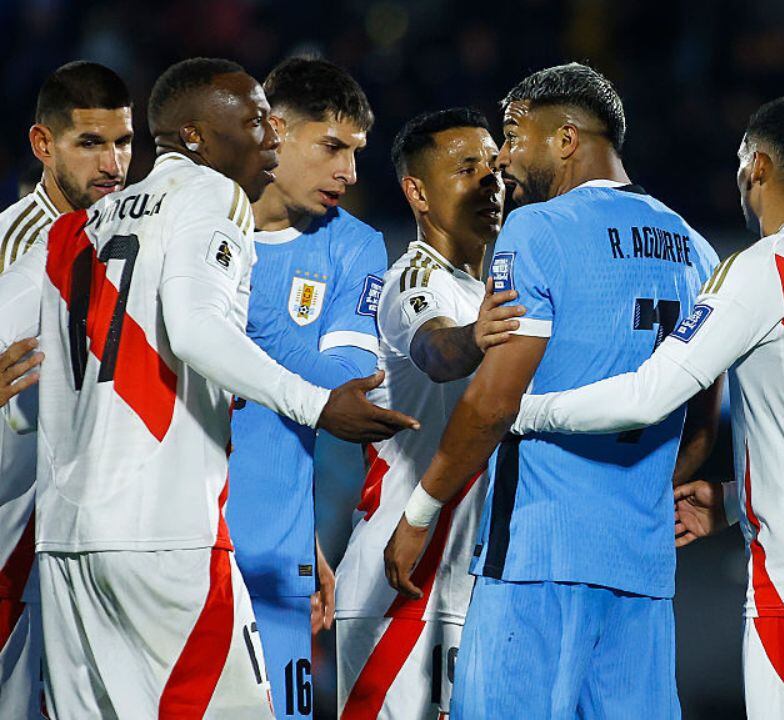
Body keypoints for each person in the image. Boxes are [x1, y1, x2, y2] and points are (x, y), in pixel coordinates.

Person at [0, 57, 416, 718]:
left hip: (66, 544)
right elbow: (195, 329)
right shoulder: (210, 195)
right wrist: (316, 403)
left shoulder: (82, 225)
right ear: (196, 137)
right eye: (254, 123)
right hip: (166, 538)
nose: (269, 140)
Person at [507, 95, 784, 718]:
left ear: (755, 166)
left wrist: (527, 410)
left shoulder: (765, 271)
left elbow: (648, 394)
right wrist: (731, 500)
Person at [382, 62, 719, 719]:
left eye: (512, 135)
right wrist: (638, 493)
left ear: (566, 139)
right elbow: (702, 422)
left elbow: (492, 403)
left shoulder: (536, 230)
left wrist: (419, 514)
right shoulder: (697, 250)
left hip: (537, 557)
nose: (502, 158)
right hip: (643, 568)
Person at [336, 107, 518, 720]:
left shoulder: (492, 287)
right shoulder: (411, 281)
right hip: (399, 580)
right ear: (417, 191)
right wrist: (478, 338)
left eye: (493, 168)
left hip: (470, 580)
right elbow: (438, 352)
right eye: (467, 169)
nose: (489, 184)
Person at [223, 56, 385, 719]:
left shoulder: (354, 247)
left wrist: (231, 329)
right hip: (169, 547)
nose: (348, 171)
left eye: (356, 152)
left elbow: (348, 381)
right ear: (277, 130)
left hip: (274, 560)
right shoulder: (194, 226)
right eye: (332, 147)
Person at [0, 59, 133, 720]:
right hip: (13, 541)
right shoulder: (19, 248)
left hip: (86, 537)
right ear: (44, 146)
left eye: (124, 142)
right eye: (90, 143)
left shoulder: (123, 242)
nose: (113, 164)